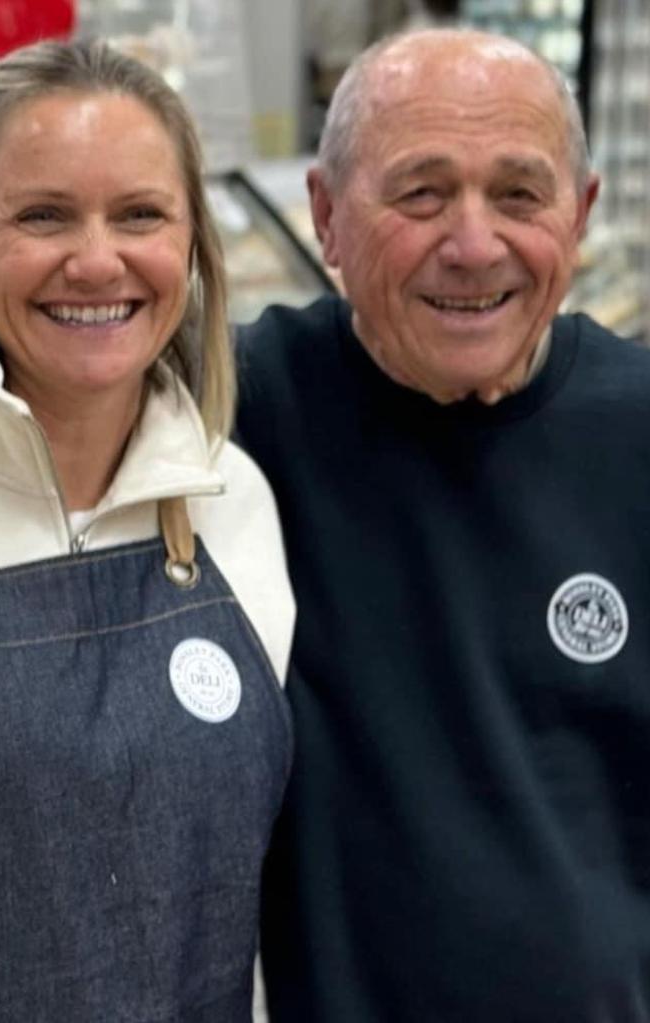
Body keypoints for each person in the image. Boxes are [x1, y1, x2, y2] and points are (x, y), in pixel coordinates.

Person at [236, 27, 650, 1022]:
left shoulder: (638, 429)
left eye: (520, 195)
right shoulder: (235, 411)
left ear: (582, 215)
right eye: (420, 195)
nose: (473, 245)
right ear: (327, 219)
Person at [0, 39, 294, 1021]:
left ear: (192, 249)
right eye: (43, 215)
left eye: (142, 214)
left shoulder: (231, 499)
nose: (99, 259)